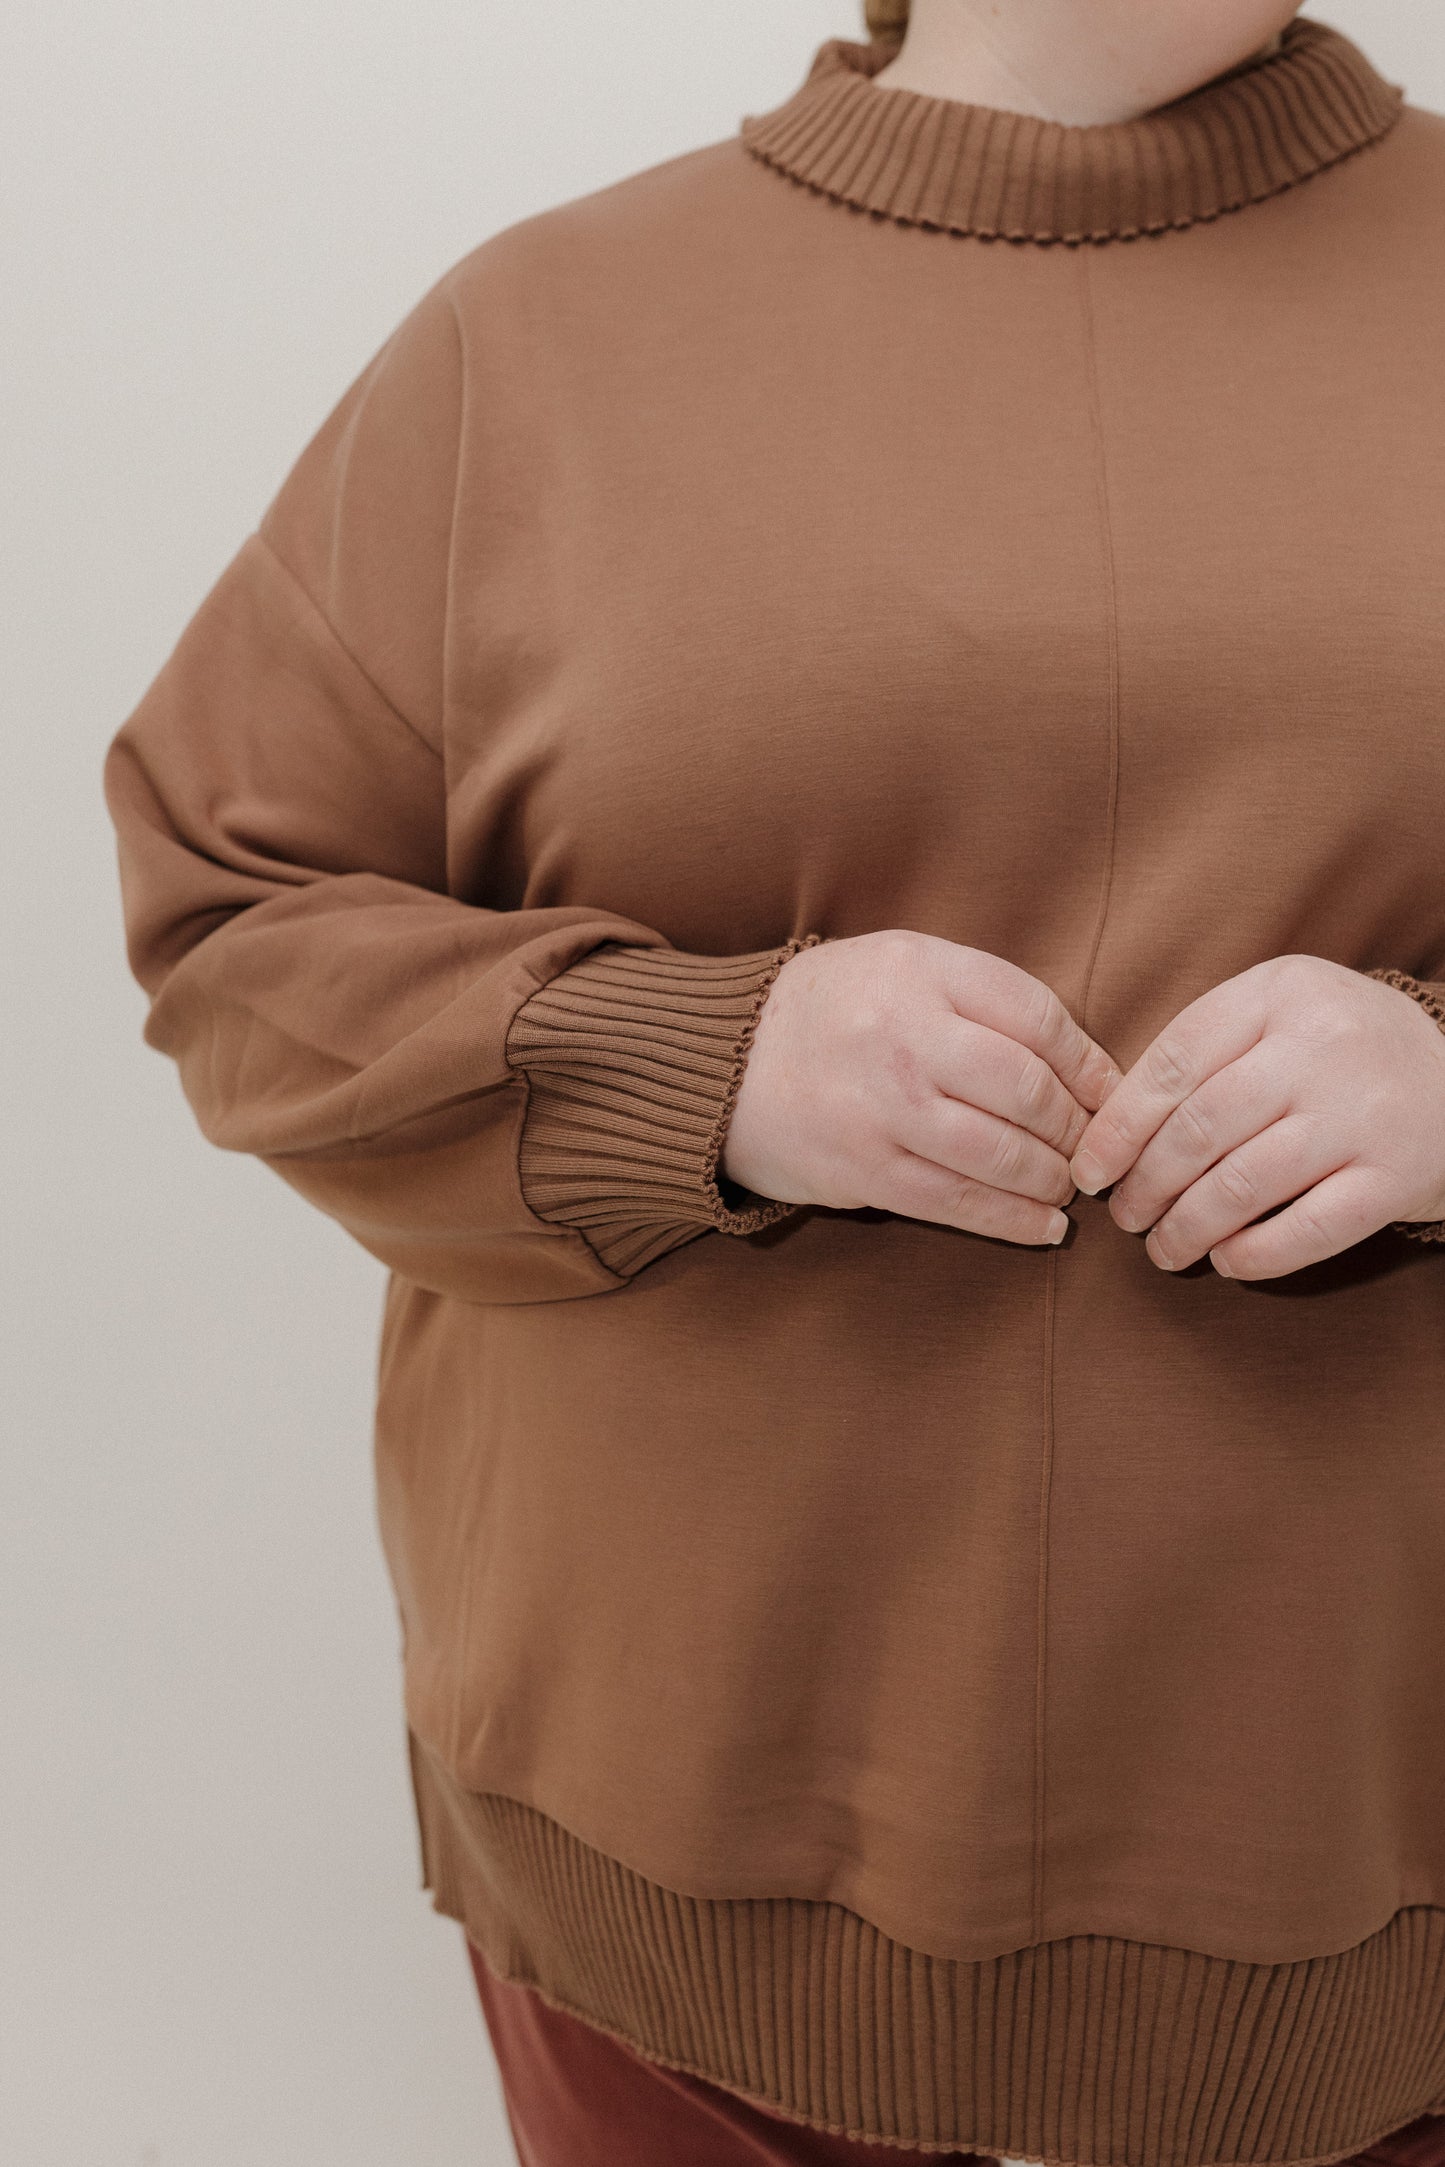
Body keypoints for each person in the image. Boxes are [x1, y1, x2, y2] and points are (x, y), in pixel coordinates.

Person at [102, 0, 1445, 2160]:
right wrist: (701, 1064)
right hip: (670, 1867)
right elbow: (229, 908)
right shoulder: (536, 342)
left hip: (1387, 1865)